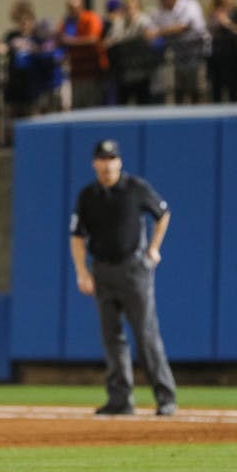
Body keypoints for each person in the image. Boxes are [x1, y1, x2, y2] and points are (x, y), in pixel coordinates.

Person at [70, 139, 177, 417]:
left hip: (133, 270)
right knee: (112, 338)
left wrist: (153, 248)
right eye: (103, 159)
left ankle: (165, 397)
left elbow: (163, 213)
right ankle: (120, 399)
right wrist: (82, 271)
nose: (107, 164)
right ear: (95, 163)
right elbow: (77, 236)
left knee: (146, 334)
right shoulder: (87, 196)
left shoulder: (135, 188)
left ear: (119, 162)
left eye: (112, 159)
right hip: (102, 270)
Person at [150, 0, 209, 105]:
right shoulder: (161, 10)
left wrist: (159, 32)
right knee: (177, 87)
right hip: (176, 50)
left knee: (195, 87)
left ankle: (200, 115)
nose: (161, 2)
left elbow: (183, 27)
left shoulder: (189, 4)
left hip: (195, 47)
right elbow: (152, 27)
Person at [58, 0, 107, 108]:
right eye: (70, 8)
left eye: (75, 7)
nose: (73, 10)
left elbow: (93, 39)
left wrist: (71, 41)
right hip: (75, 71)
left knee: (92, 103)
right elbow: (60, 38)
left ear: (81, 6)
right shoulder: (66, 22)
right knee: (77, 104)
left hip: (92, 69)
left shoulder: (91, 17)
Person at [207, 0, 237, 103]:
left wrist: (227, 23)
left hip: (233, 56)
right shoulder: (212, 12)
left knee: (233, 90)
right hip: (215, 55)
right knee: (216, 91)